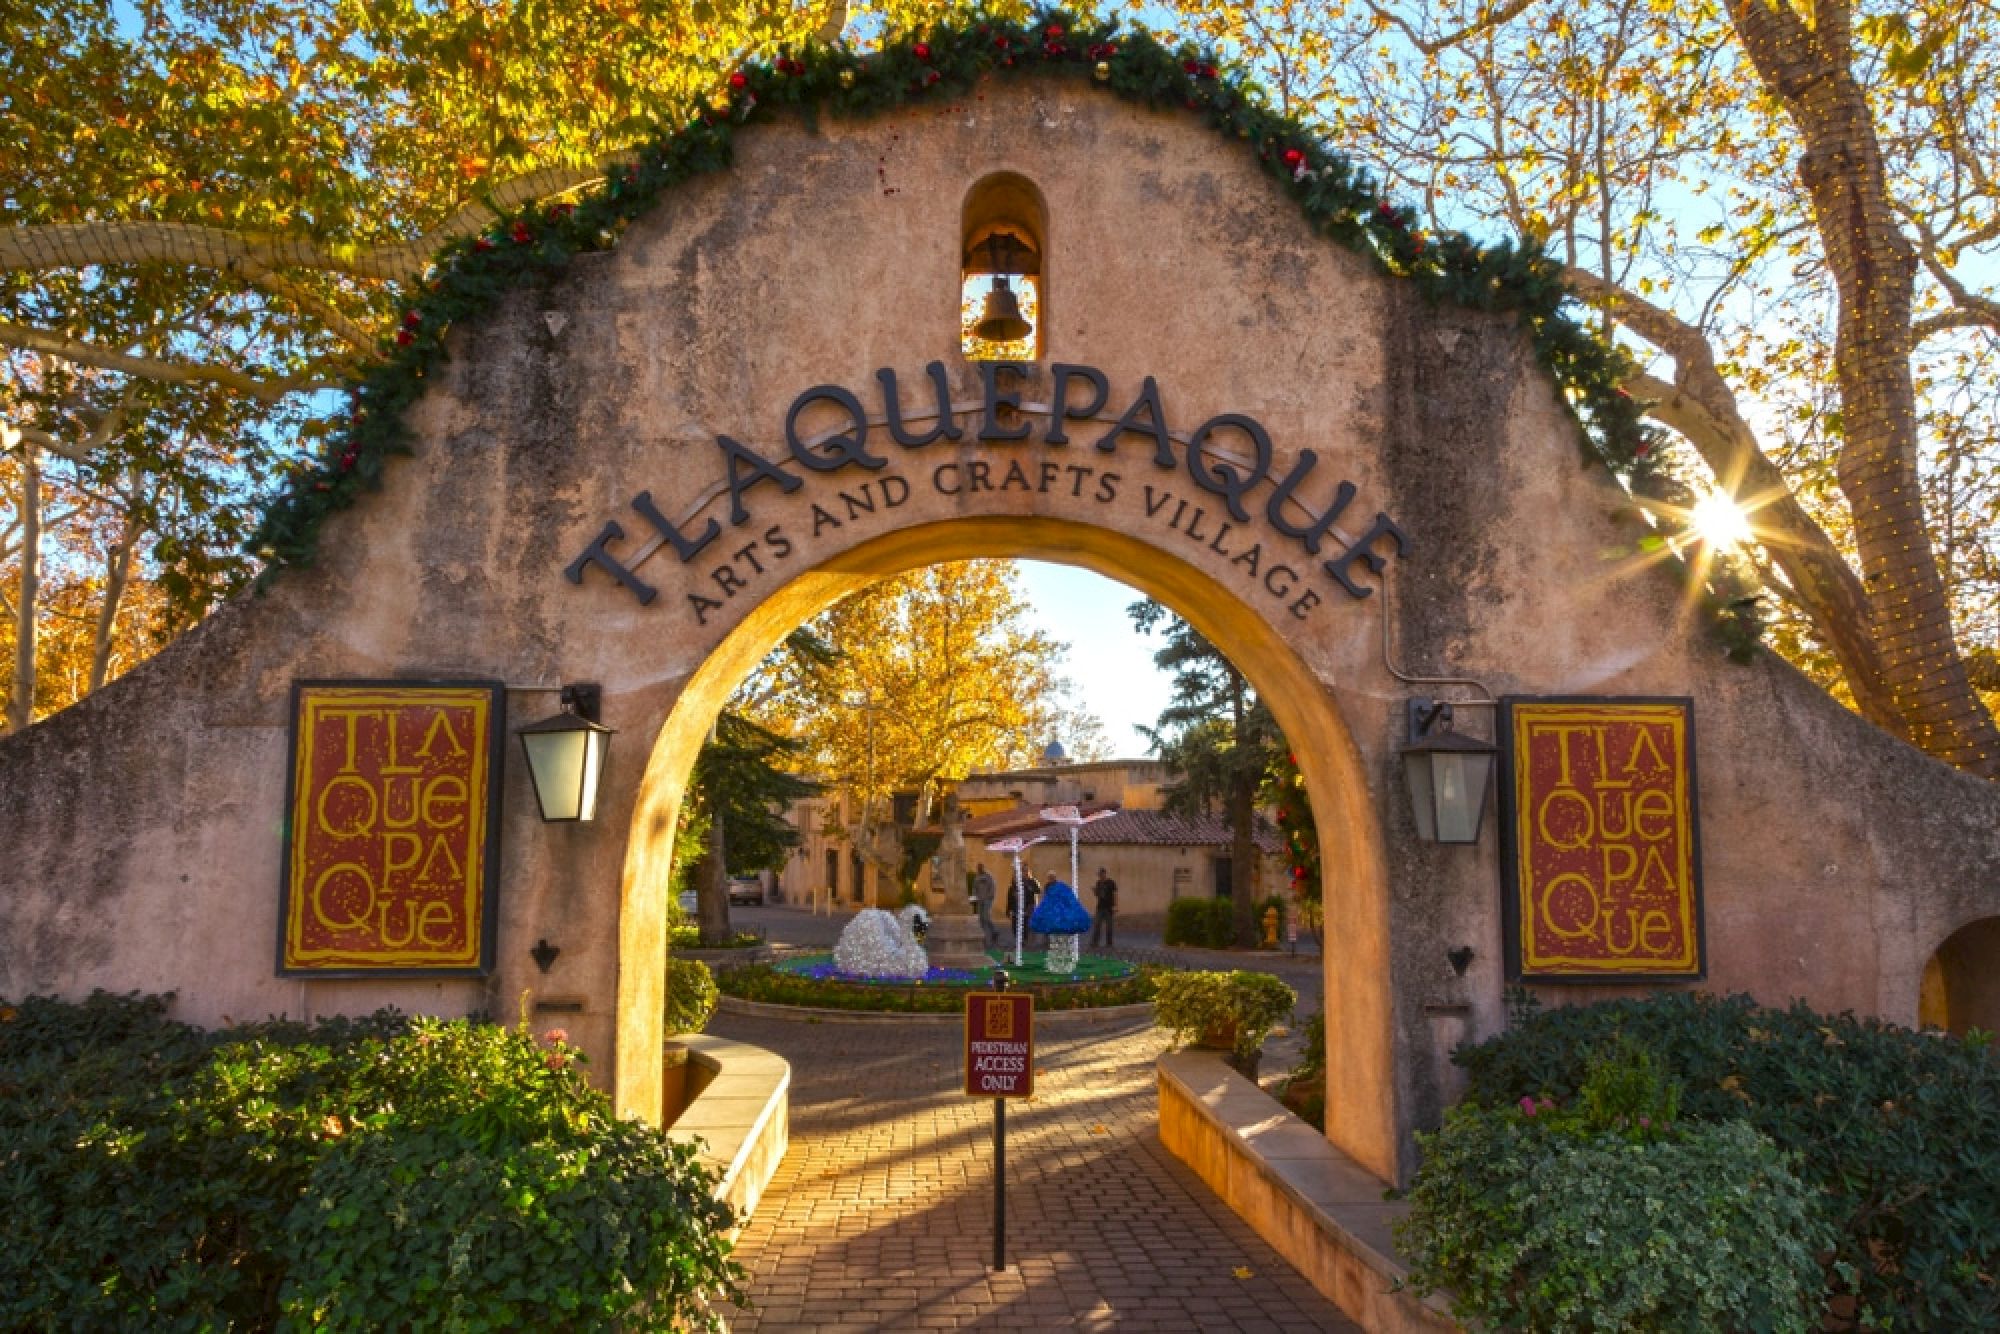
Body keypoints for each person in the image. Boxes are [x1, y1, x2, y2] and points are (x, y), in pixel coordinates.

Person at [1090, 866, 1118, 950]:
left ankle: (1109, 943)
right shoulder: (1098, 883)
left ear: (1104, 873)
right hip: (1100, 907)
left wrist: (1115, 906)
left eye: (1101, 874)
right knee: (1097, 925)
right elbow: (1098, 895)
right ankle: (1095, 942)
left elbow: (1115, 894)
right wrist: (1094, 891)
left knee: (1109, 926)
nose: (1100, 876)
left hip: (1109, 907)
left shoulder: (1111, 882)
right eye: (1099, 874)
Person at [971, 862, 998, 947]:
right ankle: (984, 937)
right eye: (978, 867)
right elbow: (974, 887)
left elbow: (992, 887)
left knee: (986, 917)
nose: (979, 869)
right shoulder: (977, 877)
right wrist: (975, 896)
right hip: (980, 900)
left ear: (983, 867)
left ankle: (994, 931)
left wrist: (989, 896)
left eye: (980, 867)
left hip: (987, 900)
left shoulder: (988, 876)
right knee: (981, 919)